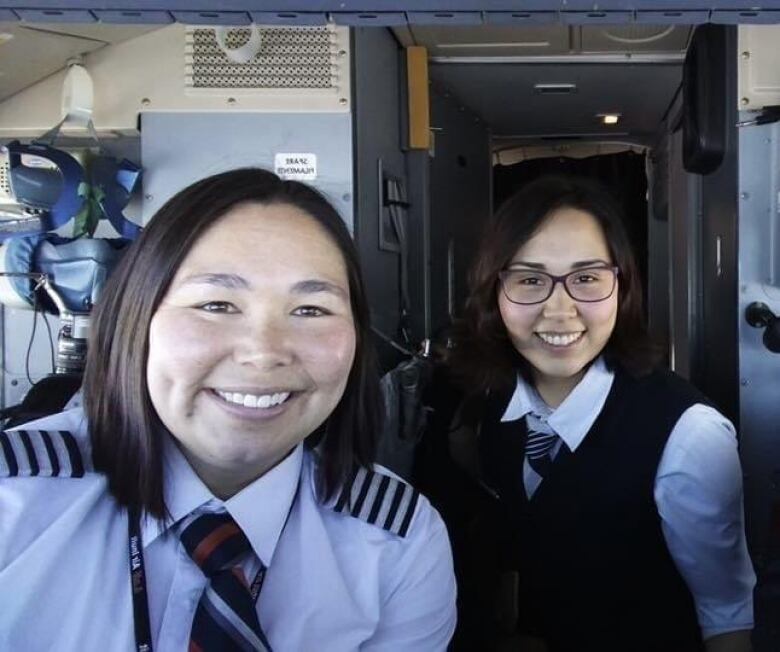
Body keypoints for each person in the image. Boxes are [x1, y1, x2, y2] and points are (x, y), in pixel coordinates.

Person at [0, 168, 456, 651]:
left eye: (311, 310)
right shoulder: (14, 499)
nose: (264, 352)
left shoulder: (399, 542)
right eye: (216, 305)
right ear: (138, 317)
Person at [445, 176, 755, 652]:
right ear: (495, 292)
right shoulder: (493, 404)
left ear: (622, 287)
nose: (559, 310)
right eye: (530, 279)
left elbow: (726, 613)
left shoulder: (689, 434)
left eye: (586, 278)